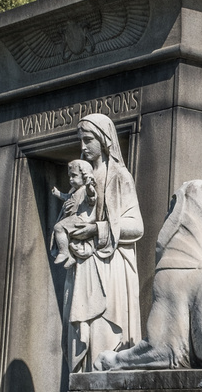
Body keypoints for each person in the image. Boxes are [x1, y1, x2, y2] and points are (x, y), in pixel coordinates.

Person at [57, 114, 142, 370]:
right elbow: (67, 221)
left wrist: (96, 229)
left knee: (103, 340)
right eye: (80, 140)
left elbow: (136, 226)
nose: (82, 147)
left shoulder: (120, 176)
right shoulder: (80, 181)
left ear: (104, 140)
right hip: (81, 268)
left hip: (110, 270)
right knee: (78, 345)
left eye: (88, 140)